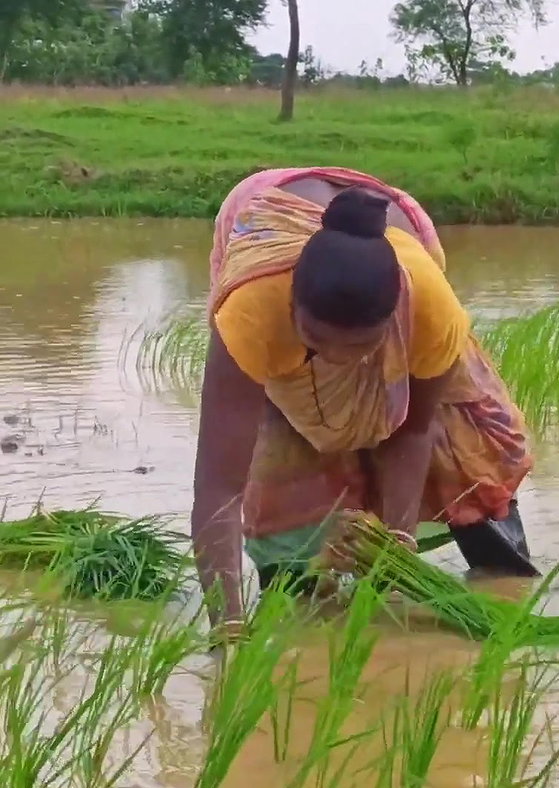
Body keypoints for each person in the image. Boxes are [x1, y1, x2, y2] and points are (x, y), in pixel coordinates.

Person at [191, 167, 536, 638]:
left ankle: (504, 572)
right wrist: (227, 628)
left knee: (466, 448)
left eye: (359, 349)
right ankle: (294, 587)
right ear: (291, 309)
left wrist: (394, 547)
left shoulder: (429, 306)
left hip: (398, 279)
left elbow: (414, 430)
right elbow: (217, 489)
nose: (339, 362)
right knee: (285, 461)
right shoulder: (253, 310)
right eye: (317, 343)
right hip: (268, 240)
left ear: (394, 317)